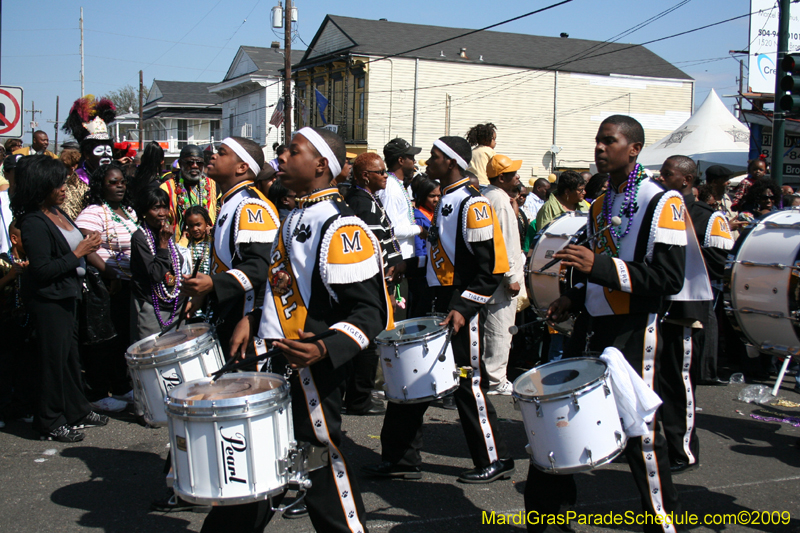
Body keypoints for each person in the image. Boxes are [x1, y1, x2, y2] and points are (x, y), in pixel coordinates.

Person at [200, 126, 390, 533]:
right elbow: (278, 281)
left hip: (310, 370)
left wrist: (325, 348)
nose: (281, 157)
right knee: (264, 462)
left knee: (320, 462)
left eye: (292, 150)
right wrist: (251, 319)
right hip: (274, 361)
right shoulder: (295, 215)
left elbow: (371, 312)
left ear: (321, 164)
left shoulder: (343, 228)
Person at [527, 115, 687, 532]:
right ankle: (546, 518)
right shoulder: (599, 204)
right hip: (595, 326)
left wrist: (598, 266)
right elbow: (594, 270)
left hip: (636, 328)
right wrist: (571, 297)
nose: (600, 148)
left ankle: (665, 520)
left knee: (642, 432)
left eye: (609, 141)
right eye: (597, 141)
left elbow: (669, 280)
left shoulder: (662, 201)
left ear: (633, 148)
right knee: (562, 415)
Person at [364, 136, 514, 484]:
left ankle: (496, 457)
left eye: (433, 158)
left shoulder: (472, 204)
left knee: (467, 384)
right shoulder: (448, 199)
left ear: (452, 162)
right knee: (410, 377)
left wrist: (463, 307)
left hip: (460, 309)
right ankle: (401, 457)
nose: (427, 163)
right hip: (436, 304)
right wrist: (408, 265)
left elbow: (488, 269)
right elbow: (442, 259)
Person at [11, 155, 107, 442]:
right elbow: (41, 270)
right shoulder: (32, 222)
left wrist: (88, 244)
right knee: (52, 362)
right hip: (49, 301)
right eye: (58, 183)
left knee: (69, 358)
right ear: (42, 186)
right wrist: (78, 253)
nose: (65, 188)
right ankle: (49, 422)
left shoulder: (58, 212)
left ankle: (77, 409)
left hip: (69, 295)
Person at [657, 155, 733, 475]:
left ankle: (682, 449)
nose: (661, 180)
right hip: (653, 308)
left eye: (668, 175)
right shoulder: (653, 212)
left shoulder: (707, 217)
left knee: (678, 383)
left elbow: (720, 264)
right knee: (653, 382)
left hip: (684, 310)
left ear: (687, 181)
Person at [180, 137, 279, 356]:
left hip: (246, 321)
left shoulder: (251, 205)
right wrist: (204, 293)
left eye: (222, 153)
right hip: (230, 313)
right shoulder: (231, 201)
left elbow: (261, 267)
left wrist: (213, 283)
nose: (213, 155)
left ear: (242, 167)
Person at [343, 152, 404, 416]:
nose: (386, 176)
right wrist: (387, 274)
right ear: (366, 176)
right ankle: (359, 399)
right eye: (381, 172)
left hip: (377, 279)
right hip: (371, 281)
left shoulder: (368, 199)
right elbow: (371, 247)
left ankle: (359, 395)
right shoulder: (362, 203)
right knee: (367, 339)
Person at [75, 162, 138, 412]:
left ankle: (120, 386)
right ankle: (97, 392)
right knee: (102, 339)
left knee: (120, 338)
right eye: (112, 182)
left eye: (122, 181)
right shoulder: (94, 212)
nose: (119, 185)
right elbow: (87, 247)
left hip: (126, 283)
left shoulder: (128, 210)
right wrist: (108, 271)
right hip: (104, 284)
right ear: (101, 185)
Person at [482, 154, 523, 395]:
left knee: (496, 327)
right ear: (501, 177)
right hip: (503, 279)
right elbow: (503, 241)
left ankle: (494, 377)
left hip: (498, 276)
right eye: (513, 173)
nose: (517, 176)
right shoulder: (498, 199)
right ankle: (496, 380)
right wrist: (511, 277)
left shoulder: (492, 195)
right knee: (500, 329)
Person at [130, 187, 187, 340]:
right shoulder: (140, 238)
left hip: (175, 304)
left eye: (165, 207)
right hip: (153, 306)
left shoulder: (167, 232)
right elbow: (155, 274)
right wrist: (162, 244)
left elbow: (176, 263)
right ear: (144, 211)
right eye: (156, 208)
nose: (162, 213)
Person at [0, 220, 35, 428]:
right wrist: (11, 276)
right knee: (5, 367)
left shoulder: (33, 260)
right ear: (14, 239)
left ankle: (22, 406)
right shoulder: (3, 261)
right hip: (6, 322)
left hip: (26, 321)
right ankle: (3, 409)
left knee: (26, 365)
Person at [160, 144, 218, 242]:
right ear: (180, 163)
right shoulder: (166, 188)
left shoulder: (213, 185)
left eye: (199, 163)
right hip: (179, 246)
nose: (194, 166)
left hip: (208, 246)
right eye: (190, 162)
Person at [381, 138, 426, 260]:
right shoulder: (390, 189)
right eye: (411, 158)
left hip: (403, 257)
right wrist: (419, 229)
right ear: (401, 160)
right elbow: (391, 230)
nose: (414, 161)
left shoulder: (396, 184)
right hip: (397, 260)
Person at [62, 96, 117, 187]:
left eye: (108, 151)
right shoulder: (77, 181)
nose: (106, 155)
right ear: (87, 154)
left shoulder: (117, 177)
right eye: (99, 151)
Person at [408, 176, 440, 319]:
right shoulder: (417, 218)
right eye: (432, 196)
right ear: (422, 196)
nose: (436, 199)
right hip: (423, 275)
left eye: (439, 196)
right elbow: (419, 248)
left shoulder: (439, 213)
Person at [182, 205, 213, 276]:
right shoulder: (187, 244)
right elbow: (181, 265)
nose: (195, 229)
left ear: (206, 223)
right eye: (191, 226)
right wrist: (184, 241)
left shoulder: (213, 241)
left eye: (198, 225)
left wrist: (214, 232)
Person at [60, 149, 88, 220]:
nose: (73, 167)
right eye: (68, 166)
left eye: (76, 163)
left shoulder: (83, 180)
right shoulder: (62, 182)